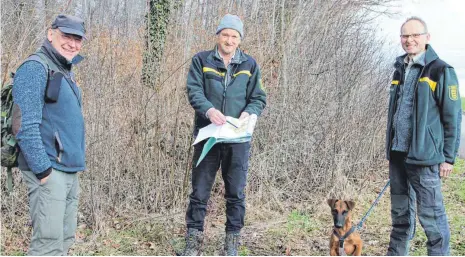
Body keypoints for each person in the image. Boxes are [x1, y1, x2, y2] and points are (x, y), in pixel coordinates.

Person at [182, 14, 266, 256]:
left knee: (236, 192)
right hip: (208, 136)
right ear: (218, 35)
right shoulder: (201, 60)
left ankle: (231, 245)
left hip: (238, 139)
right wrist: (208, 110)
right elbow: (194, 90)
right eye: (225, 34)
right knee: (199, 191)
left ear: (240, 40)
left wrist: (249, 113)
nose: (229, 40)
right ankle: (193, 243)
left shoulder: (250, 65)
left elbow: (259, 98)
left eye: (234, 36)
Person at [385, 16, 462, 255]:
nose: (410, 40)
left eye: (415, 35)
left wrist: (448, 158)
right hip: (398, 156)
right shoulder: (399, 68)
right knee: (400, 217)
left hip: (425, 158)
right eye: (405, 36)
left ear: (427, 38)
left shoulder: (440, 70)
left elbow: (452, 118)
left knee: (432, 219)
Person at [12, 14, 87, 255]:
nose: (72, 44)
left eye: (78, 39)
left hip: (68, 170)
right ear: (50, 33)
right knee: (47, 246)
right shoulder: (35, 67)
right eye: (66, 36)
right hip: (49, 170)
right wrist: (43, 172)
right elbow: (24, 126)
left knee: (63, 241)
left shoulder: (64, 70)